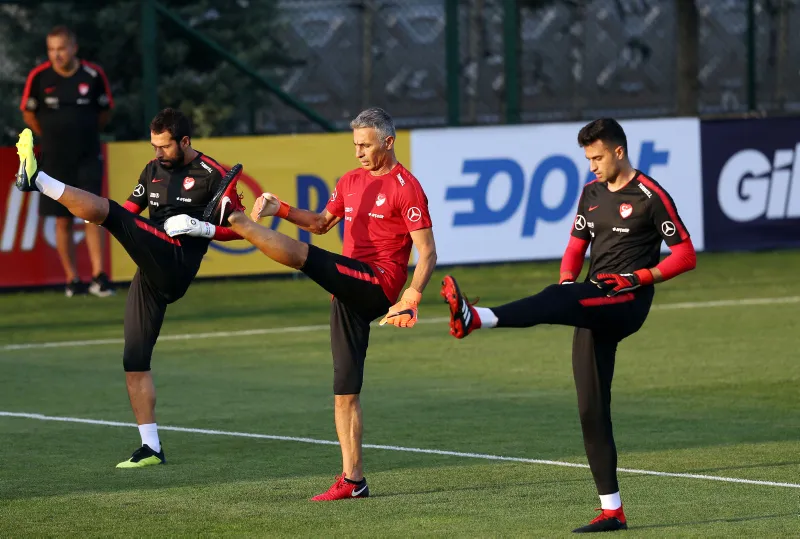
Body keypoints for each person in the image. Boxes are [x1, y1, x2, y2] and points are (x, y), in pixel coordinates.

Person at [163, 107, 438, 500]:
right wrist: (282, 210)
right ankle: (353, 479)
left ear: (389, 142)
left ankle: (229, 221)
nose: (359, 152)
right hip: (346, 291)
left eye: (366, 145)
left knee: (307, 257)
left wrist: (412, 296)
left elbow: (427, 252)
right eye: (355, 144)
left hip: (378, 283)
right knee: (344, 390)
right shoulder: (350, 181)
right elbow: (322, 223)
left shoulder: (406, 187)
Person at [440, 118, 697, 533]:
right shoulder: (591, 193)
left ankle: (476, 319)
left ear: (618, 151)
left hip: (626, 301)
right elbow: (575, 246)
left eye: (597, 157)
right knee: (591, 410)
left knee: (558, 298)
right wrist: (567, 281)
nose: (592, 165)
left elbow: (686, 255)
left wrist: (639, 277)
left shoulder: (651, 196)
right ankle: (612, 511)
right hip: (592, 300)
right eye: (587, 158)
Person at [14, 108, 244, 468]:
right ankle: (151, 448)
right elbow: (125, 212)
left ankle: (38, 179)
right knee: (134, 360)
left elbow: (240, 229)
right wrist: (99, 216)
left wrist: (202, 228)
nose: (157, 154)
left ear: (185, 142)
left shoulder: (213, 175)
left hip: (179, 263)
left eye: (164, 147)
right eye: (153, 146)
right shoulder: (151, 171)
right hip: (151, 267)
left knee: (113, 214)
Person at [20, 25, 115, 297]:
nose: (56, 55)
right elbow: (28, 114)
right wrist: (51, 135)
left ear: (74, 48)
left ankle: (99, 276)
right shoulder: (39, 77)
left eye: (61, 48)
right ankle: (72, 279)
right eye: (51, 49)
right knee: (61, 219)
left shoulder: (93, 75)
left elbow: (105, 112)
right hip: (53, 158)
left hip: (87, 155)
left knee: (94, 214)